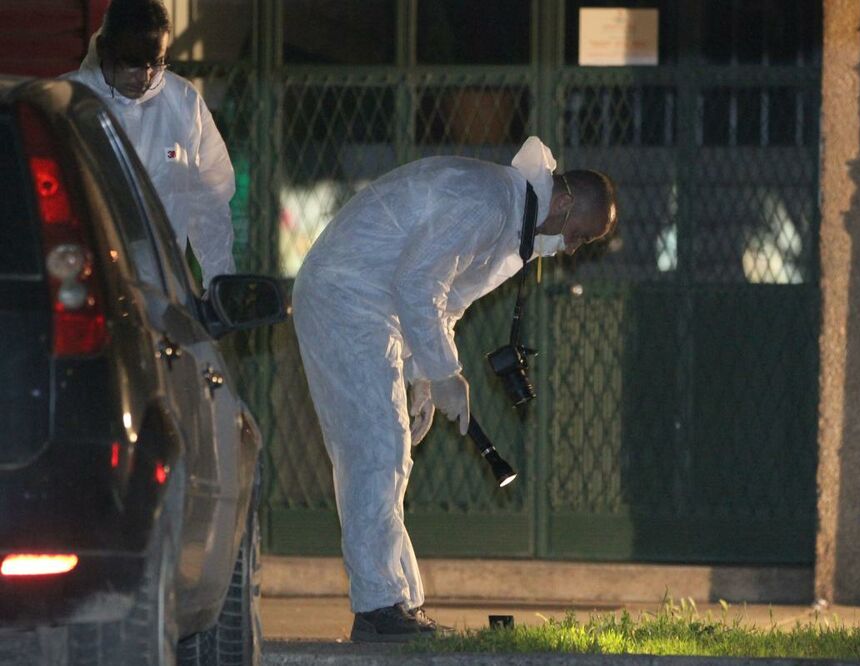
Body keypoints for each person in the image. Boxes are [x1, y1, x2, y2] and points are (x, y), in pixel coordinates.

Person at [292, 136, 617, 642]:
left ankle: (395, 604)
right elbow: (421, 285)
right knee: (377, 449)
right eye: (581, 235)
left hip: (374, 305)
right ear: (567, 202)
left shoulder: (512, 222)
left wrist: (424, 373)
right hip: (347, 297)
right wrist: (443, 372)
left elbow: (449, 299)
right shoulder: (488, 201)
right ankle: (380, 609)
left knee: (387, 451)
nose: (574, 247)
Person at [63, 0, 236, 288]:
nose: (144, 76)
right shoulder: (67, 105)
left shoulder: (182, 104)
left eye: (155, 62)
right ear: (105, 48)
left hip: (164, 298)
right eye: (132, 62)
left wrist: (221, 283)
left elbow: (209, 202)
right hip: (90, 292)